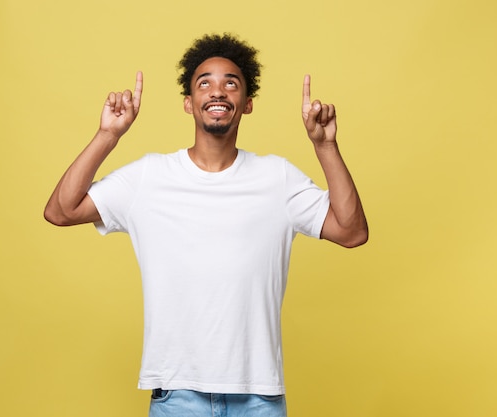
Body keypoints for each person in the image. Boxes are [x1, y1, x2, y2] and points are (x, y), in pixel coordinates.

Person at [44, 33, 368, 417]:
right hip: (178, 397)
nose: (218, 91)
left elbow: (352, 232)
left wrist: (325, 146)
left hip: (258, 398)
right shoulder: (150, 176)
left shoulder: (276, 177)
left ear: (246, 104)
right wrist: (107, 135)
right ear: (189, 103)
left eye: (231, 82)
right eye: (205, 83)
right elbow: (61, 211)